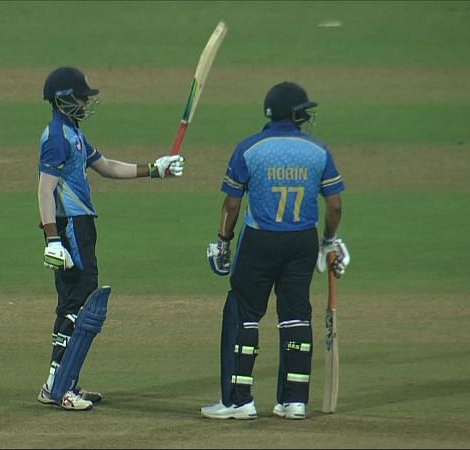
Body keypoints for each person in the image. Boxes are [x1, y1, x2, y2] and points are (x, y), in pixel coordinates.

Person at [36, 66, 185, 411]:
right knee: (79, 306)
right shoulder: (56, 137)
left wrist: (154, 169)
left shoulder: (72, 133)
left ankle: (57, 384)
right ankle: (62, 388)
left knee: (75, 303)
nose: (86, 102)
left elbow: (105, 166)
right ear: (63, 100)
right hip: (69, 225)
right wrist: (53, 239)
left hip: (81, 224)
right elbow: (45, 190)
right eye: (81, 97)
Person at [201, 81, 350, 420]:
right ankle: (294, 401)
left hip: (260, 240)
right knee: (295, 314)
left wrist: (223, 241)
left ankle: (239, 401)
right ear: (294, 114)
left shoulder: (249, 148)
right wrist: (328, 240)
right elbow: (336, 205)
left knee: (245, 313)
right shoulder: (318, 150)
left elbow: (232, 203)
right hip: (302, 240)